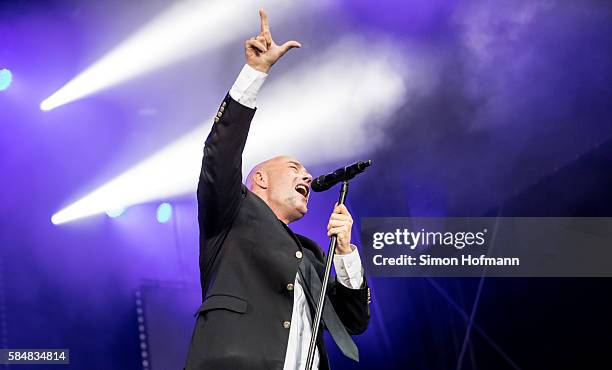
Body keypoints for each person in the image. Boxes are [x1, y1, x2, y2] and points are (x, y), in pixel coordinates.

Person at [184, 9, 370, 370]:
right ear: (261, 180)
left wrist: (346, 251)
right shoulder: (231, 214)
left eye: (306, 171)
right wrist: (255, 72)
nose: (307, 176)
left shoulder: (313, 253)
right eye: (293, 168)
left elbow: (353, 323)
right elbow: (220, 154)